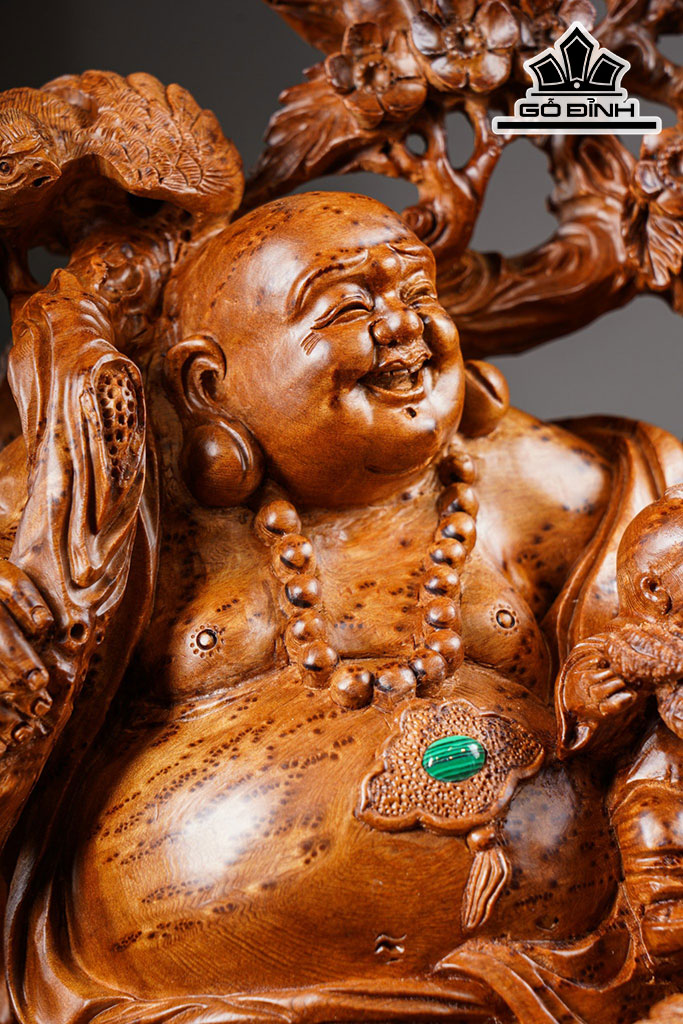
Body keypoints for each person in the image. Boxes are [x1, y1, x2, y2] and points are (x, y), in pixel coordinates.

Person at [0, 192, 681, 1024]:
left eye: (417, 294)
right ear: (207, 382)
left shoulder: (550, 487)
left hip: (552, 985)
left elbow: (658, 686)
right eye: (348, 308)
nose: (403, 327)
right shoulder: (127, 503)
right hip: (186, 998)